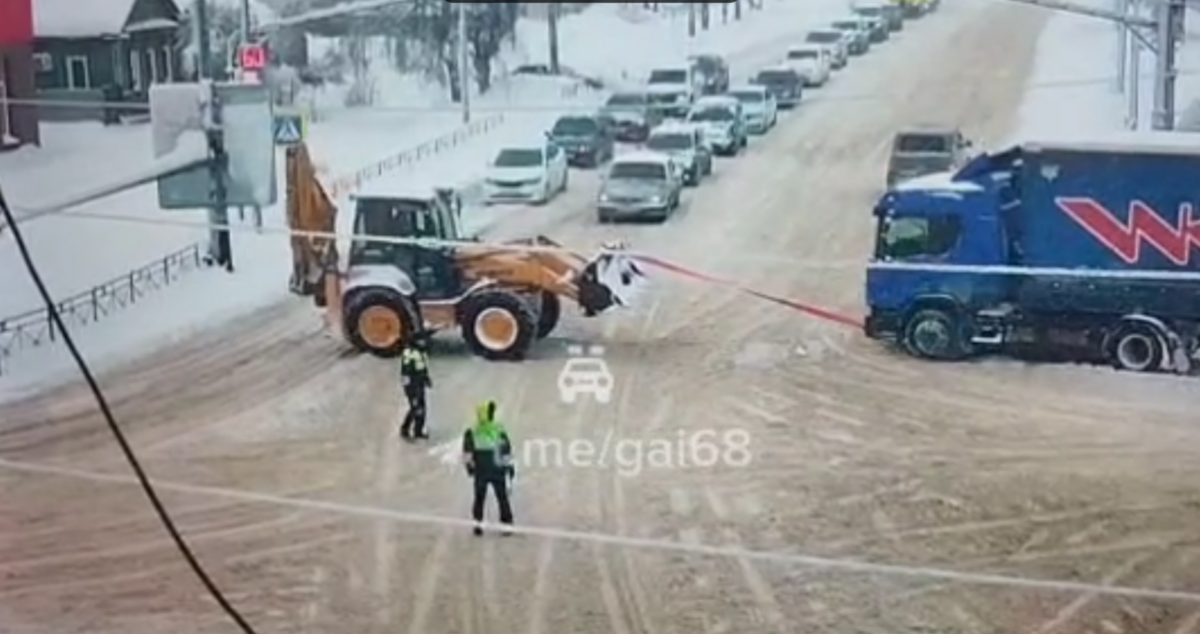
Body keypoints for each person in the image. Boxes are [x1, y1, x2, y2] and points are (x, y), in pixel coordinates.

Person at [461, 400, 515, 536]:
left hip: (481, 470)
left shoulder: (472, 431)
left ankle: (478, 524)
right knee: (502, 497)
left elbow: (467, 453)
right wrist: (509, 468)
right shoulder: (498, 429)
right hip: (497, 470)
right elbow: (506, 450)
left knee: (479, 497)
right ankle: (506, 524)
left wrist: (469, 468)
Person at [399, 333, 432, 440]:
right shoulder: (410, 353)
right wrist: (411, 389)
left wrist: (426, 378)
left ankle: (418, 431)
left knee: (421, 408)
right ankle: (405, 430)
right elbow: (407, 372)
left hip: (419, 383)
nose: (423, 342)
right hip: (412, 385)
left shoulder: (420, 351)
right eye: (421, 341)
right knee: (415, 407)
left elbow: (422, 366)